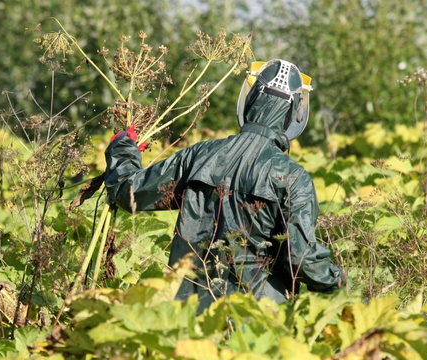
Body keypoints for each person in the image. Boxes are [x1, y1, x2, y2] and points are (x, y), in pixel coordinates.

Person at [104, 59, 346, 311]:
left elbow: (127, 191)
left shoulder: (199, 155)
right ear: (293, 114)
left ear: (251, 100)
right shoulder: (294, 178)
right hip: (258, 321)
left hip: (191, 316)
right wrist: (340, 287)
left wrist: (123, 144)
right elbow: (302, 259)